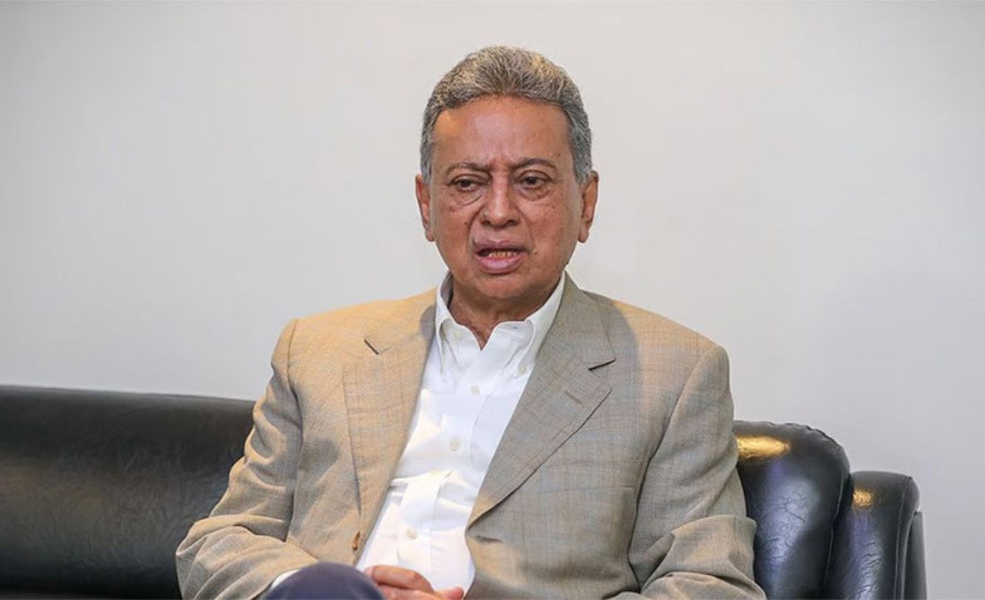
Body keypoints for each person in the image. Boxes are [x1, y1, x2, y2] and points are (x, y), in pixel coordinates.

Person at [176, 46, 763, 599]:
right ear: (426, 205)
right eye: (467, 183)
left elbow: (710, 585)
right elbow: (220, 542)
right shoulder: (317, 351)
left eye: (531, 181)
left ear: (585, 203)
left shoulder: (674, 375)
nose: (498, 212)